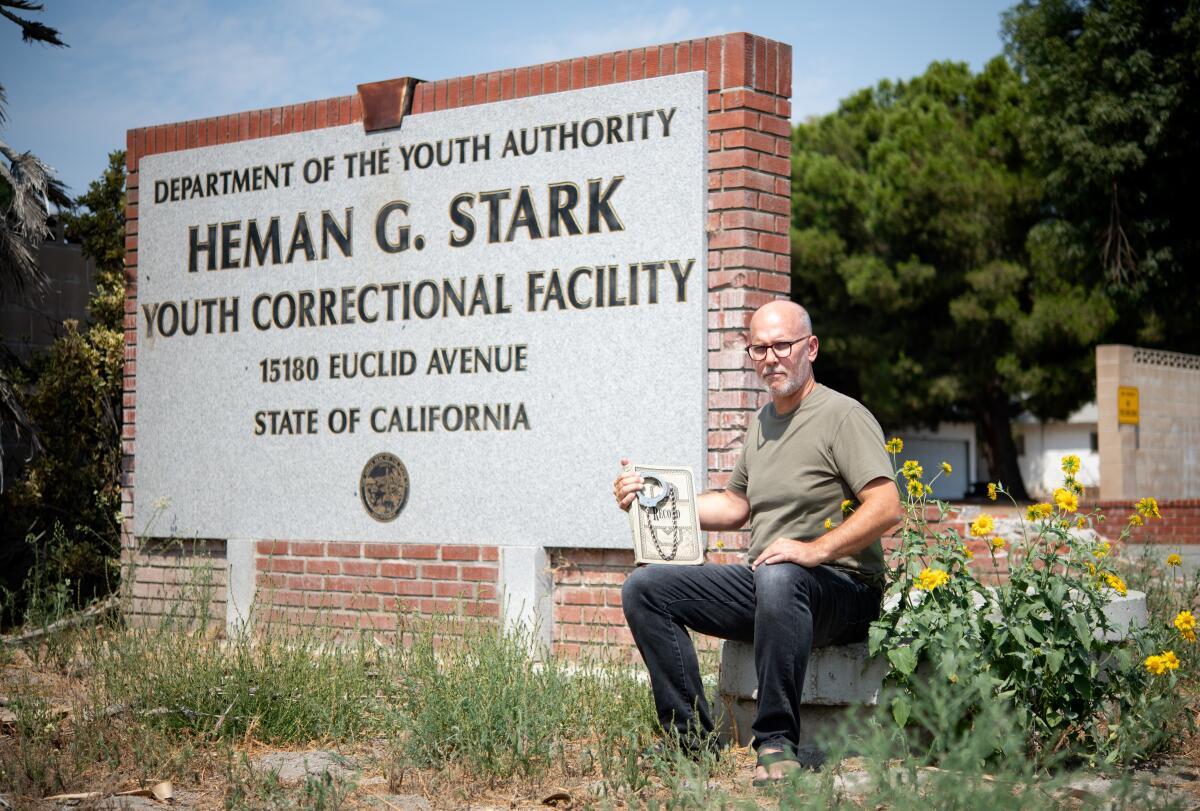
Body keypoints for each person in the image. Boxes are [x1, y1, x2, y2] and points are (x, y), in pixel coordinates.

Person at [613, 300, 901, 785]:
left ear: (810, 348)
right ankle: (691, 743)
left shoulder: (842, 416)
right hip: (773, 584)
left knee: (779, 575)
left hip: (843, 590)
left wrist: (815, 550)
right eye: (759, 348)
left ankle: (775, 742)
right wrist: (649, 496)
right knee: (646, 588)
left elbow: (887, 505)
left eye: (781, 345)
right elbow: (733, 506)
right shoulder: (763, 422)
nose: (770, 358)